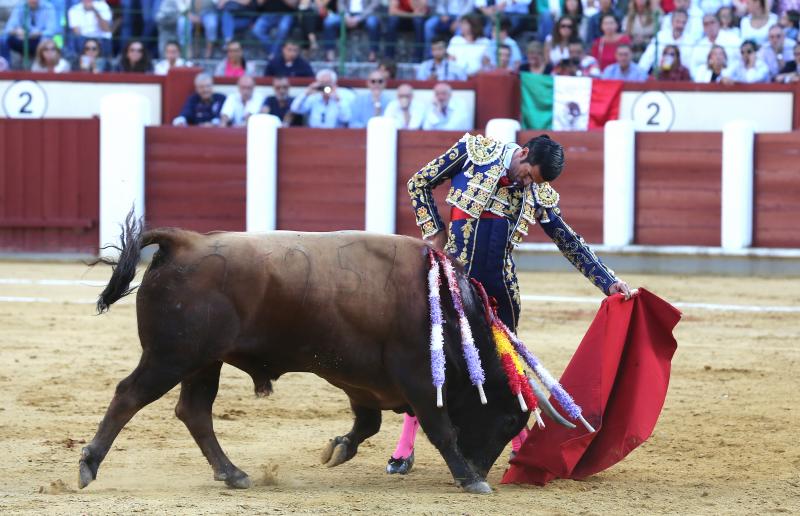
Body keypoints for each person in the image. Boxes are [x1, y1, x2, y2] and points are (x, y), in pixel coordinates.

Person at [388, 133, 631, 475]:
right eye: (530, 174)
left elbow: (567, 239)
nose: (528, 183)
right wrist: (434, 231)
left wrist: (608, 282)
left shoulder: (537, 191)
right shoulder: (473, 153)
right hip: (451, 282)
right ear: (524, 153)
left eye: (536, 181)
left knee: (508, 370)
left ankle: (521, 446)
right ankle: (404, 448)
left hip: (499, 292)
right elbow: (420, 183)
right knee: (435, 360)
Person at [637, 9, 694, 73]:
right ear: (672, 22)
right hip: (659, 74)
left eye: (683, 22)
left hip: (680, 77)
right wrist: (639, 76)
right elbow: (647, 57)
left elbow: (691, 65)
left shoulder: (690, 41)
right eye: (678, 21)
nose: (680, 26)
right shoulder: (661, 36)